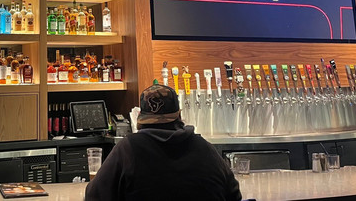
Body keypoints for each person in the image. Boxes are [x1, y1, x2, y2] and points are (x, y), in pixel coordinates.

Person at [85, 84, 242, 201]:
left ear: (140, 119)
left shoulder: (128, 149)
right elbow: (234, 194)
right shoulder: (204, 148)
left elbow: (94, 196)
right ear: (179, 115)